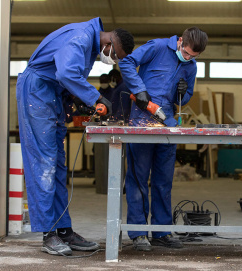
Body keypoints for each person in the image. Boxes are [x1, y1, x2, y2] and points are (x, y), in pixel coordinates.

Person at [16, 17, 134, 256]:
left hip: (52, 95)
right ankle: (48, 234)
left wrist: (77, 100)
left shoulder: (89, 44)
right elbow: (67, 73)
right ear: (109, 42)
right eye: (116, 55)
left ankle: (63, 230)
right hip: (37, 92)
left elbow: (67, 78)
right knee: (45, 164)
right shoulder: (81, 38)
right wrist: (96, 98)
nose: (114, 60)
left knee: (58, 165)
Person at [119, 27, 208, 251]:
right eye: (186, 53)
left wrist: (184, 92)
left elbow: (183, 100)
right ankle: (139, 232)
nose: (188, 58)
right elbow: (127, 63)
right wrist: (139, 90)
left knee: (163, 181)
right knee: (138, 179)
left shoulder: (191, 65)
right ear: (180, 41)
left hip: (167, 121)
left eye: (193, 57)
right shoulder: (157, 47)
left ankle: (161, 231)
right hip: (141, 118)